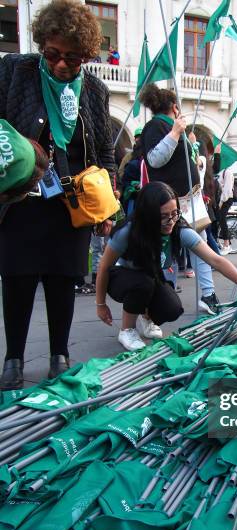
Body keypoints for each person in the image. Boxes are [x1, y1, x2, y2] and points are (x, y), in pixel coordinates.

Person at [0, 0, 116, 390]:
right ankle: (13, 358)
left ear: (85, 54)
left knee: (63, 280)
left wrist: (108, 206)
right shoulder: (15, 71)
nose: (62, 64)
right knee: (16, 280)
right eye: (53, 54)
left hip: (71, 206)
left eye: (72, 57)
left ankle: (59, 355)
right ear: (42, 45)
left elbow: (104, 152)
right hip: (21, 203)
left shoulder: (95, 90)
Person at [95, 182, 237, 351]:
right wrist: (101, 304)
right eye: (164, 216)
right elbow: (103, 267)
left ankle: (146, 318)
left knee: (172, 308)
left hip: (150, 277)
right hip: (120, 278)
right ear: (148, 215)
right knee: (143, 283)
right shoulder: (128, 233)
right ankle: (127, 330)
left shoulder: (180, 231)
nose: (171, 221)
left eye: (175, 213)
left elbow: (215, 260)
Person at [138, 83, 221, 314]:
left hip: (188, 201)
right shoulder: (156, 126)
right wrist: (175, 133)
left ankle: (207, 294)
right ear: (175, 107)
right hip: (170, 203)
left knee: (199, 247)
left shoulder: (168, 127)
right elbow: (154, 159)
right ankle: (161, 298)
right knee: (166, 249)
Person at [217, 168, 235, 256]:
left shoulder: (227, 172)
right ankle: (223, 242)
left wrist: (220, 202)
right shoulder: (221, 172)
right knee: (218, 219)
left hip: (226, 199)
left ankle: (227, 244)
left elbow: (227, 190)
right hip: (222, 199)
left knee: (222, 219)